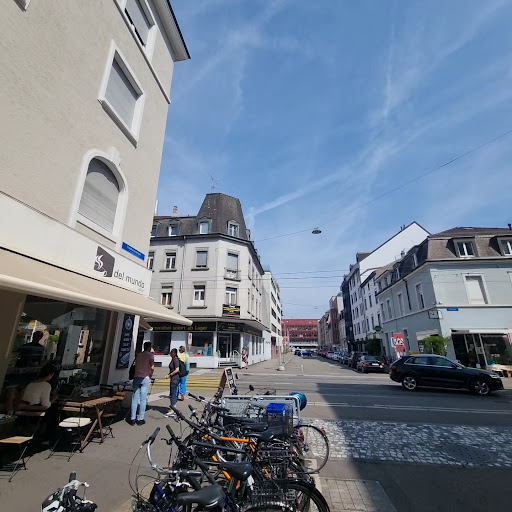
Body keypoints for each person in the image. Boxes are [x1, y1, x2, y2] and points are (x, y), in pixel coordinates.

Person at [128, 341, 154, 426]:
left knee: (135, 398)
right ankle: (141, 419)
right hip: (145, 378)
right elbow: (152, 367)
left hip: (137, 377)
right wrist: (150, 374)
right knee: (143, 399)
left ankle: (132, 419)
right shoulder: (150, 355)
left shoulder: (139, 355)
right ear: (149, 347)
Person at [164, 349, 180, 417]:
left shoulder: (175, 360)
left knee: (172, 394)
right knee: (172, 393)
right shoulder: (173, 359)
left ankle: (172, 410)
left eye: (171, 353)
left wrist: (170, 375)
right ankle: (174, 408)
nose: (170, 354)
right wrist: (169, 374)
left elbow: (177, 370)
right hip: (173, 378)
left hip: (175, 379)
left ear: (174, 353)